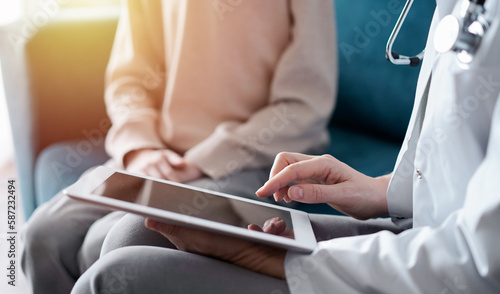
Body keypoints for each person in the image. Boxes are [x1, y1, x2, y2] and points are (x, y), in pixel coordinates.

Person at [71, 0, 500, 293]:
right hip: (420, 226)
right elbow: (457, 156)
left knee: (115, 273)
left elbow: (480, 260)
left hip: (442, 263)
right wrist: (384, 191)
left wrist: (278, 260)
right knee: (125, 233)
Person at [20, 0, 337, 293]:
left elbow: (304, 105)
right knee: (43, 236)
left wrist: (200, 162)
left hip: (252, 161)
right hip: (154, 152)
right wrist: (142, 148)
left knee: (103, 245)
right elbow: (129, 81)